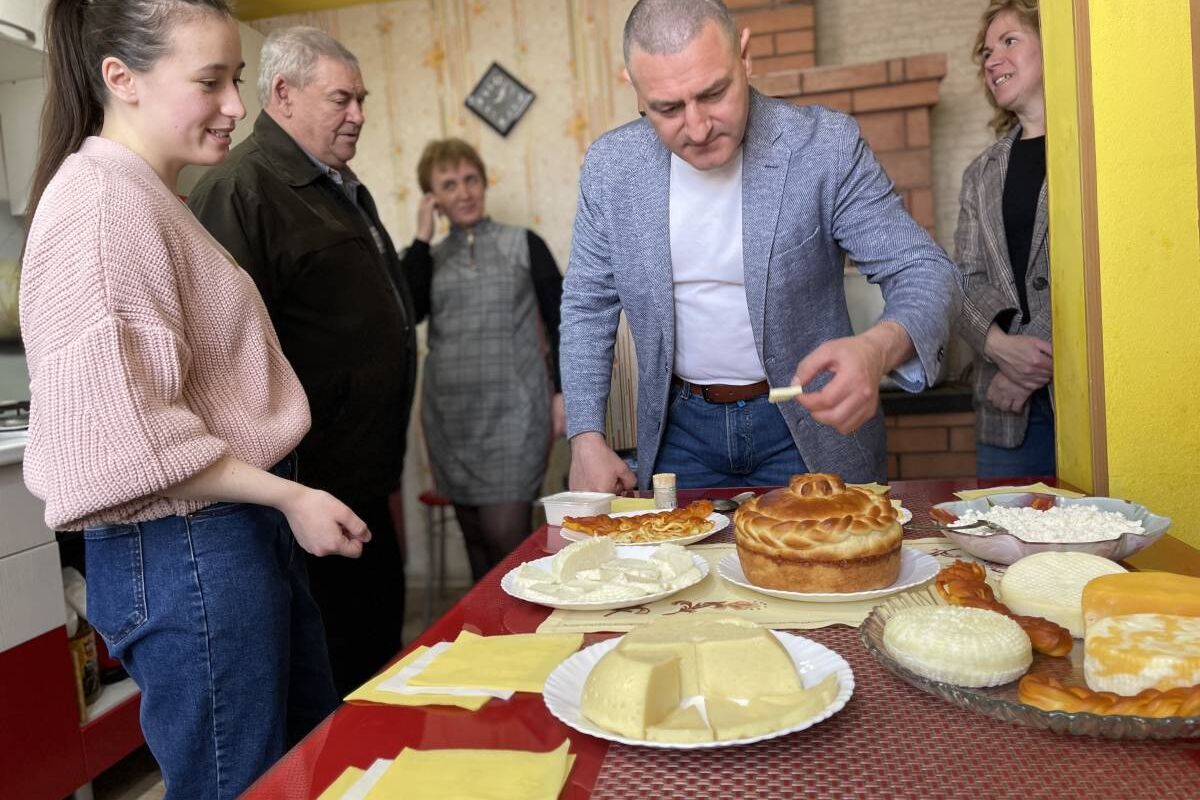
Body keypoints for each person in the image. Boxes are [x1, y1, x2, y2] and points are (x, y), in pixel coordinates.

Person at [20, 2, 366, 796]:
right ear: (122, 79)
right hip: (186, 551)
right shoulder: (104, 208)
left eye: (236, 79)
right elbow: (132, 437)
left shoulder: (146, 197)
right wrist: (292, 495)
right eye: (210, 81)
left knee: (296, 772)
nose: (237, 107)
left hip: (216, 541)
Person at [561, 0, 960, 492]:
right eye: (668, 108)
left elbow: (925, 270)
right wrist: (585, 435)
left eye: (714, 93)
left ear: (745, 58)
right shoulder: (610, 169)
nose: (699, 126)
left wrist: (877, 350)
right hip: (678, 432)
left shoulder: (824, 146)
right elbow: (586, 306)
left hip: (809, 426)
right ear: (635, 88)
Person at [188, 26, 425, 695]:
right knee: (332, 677)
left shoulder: (340, 184)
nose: (359, 114)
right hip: (301, 494)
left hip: (363, 478)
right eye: (342, 99)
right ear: (283, 95)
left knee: (376, 655)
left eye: (363, 99)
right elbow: (223, 362)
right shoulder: (240, 189)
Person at [401, 139, 564, 581]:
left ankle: (530, 642)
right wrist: (420, 236)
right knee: (474, 541)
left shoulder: (524, 244)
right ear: (433, 198)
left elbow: (562, 319)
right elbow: (406, 311)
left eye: (471, 179)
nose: (464, 192)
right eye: (449, 185)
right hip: (452, 419)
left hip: (516, 414)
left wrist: (562, 394)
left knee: (506, 541)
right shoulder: (428, 259)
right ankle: (494, 645)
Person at [954, 0, 1054, 478]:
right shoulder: (980, 174)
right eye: (987, 52)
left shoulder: (1094, 149)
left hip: (1088, 400)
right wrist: (998, 347)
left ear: (1051, 45)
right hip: (1004, 411)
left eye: (1009, 42)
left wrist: (1031, 358)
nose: (992, 60)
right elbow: (964, 280)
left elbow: (1103, 273)